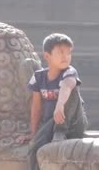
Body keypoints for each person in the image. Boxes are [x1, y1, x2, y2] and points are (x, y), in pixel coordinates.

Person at [18, 33, 87, 170]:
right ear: (47, 56)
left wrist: (60, 105)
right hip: (50, 123)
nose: (65, 57)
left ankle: (60, 131)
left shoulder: (70, 72)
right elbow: (36, 106)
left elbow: (67, 86)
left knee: (71, 92)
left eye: (68, 53)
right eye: (61, 52)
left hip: (73, 122)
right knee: (34, 148)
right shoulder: (39, 77)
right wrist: (33, 133)